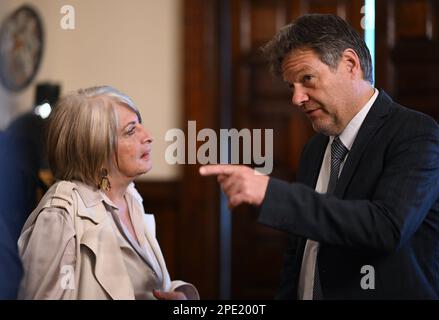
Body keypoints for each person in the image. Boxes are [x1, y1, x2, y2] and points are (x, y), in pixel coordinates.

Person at [200, 14, 439, 299]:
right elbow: (300, 251)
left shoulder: (415, 132)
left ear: (350, 65)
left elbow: (386, 229)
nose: (296, 98)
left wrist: (271, 193)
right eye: (292, 86)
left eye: (307, 80)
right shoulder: (314, 148)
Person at [18, 86, 199, 300]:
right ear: (95, 147)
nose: (148, 136)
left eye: (139, 125)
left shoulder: (130, 197)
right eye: (131, 131)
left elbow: (144, 283)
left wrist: (181, 298)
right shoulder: (59, 215)